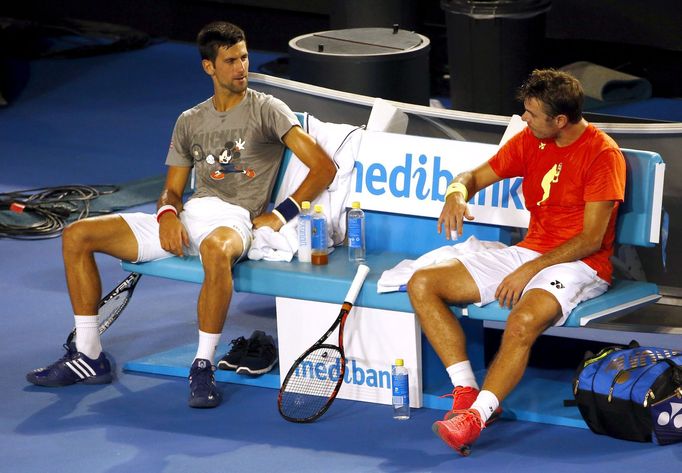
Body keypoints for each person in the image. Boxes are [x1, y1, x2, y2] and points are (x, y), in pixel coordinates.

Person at [26, 21, 336, 408]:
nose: (241, 68)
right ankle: (88, 355)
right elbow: (171, 190)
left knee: (216, 249)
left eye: (244, 57)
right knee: (77, 235)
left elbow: (324, 167)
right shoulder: (190, 120)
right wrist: (168, 215)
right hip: (189, 217)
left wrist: (279, 214)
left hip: (234, 219)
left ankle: (203, 364)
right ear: (209, 67)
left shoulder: (268, 109)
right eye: (230, 61)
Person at [407, 69, 626, 455]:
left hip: (582, 264)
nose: (523, 119)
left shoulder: (602, 155)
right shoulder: (531, 140)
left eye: (531, 113)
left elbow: (591, 239)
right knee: (423, 283)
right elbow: (472, 176)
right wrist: (456, 193)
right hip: (530, 251)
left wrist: (530, 269)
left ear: (559, 120)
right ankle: (465, 390)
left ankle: (476, 419)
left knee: (522, 319)